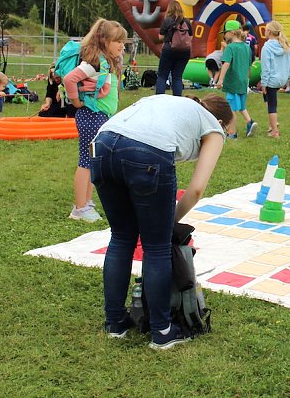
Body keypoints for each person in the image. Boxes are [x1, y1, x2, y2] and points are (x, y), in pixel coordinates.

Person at [92, 93, 233, 350]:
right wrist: (168, 223)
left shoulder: (173, 104)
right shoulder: (213, 127)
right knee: (156, 246)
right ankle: (162, 331)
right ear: (222, 122)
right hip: (146, 151)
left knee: (121, 237)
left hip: (102, 145)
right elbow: (197, 189)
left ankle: (115, 323)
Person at [64, 18, 127, 222]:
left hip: (99, 116)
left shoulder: (106, 61)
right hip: (91, 115)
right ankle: (79, 208)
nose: (121, 46)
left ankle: (86, 203)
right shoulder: (95, 61)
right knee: (86, 161)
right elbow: (70, 79)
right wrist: (76, 102)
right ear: (105, 41)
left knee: (92, 161)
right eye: (118, 41)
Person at [216, 20, 257, 139]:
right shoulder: (246, 47)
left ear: (232, 33)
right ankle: (250, 122)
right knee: (242, 106)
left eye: (226, 33)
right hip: (243, 81)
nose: (224, 35)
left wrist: (220, 80)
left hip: (232, 82)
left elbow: (226, 64)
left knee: (231, 109)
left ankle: (232, 133)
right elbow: (249, 64)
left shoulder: (230, 48)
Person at [260, 21, 290, 138]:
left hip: (271, 80)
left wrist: (263, 83)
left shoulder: (266, 48)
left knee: (271, 105)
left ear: (269, 32)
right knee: (269, 99)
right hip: (282, 78)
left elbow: (266, 68)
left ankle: (274, 131)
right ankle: (272, 123)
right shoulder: (285, 45)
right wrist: (288, 77)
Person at [155, 1, 192, 96]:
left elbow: (161, 37)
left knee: (162, 76)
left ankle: (159, 98)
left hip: (169, 50)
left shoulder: (167, 21)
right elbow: (190, 37)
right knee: (177, 77)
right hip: (184, 52)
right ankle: (177, 98)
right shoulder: (187, 21)